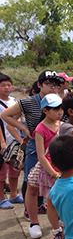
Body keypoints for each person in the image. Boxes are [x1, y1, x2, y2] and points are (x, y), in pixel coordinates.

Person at [1, 70, 62, 225]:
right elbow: (5, 116)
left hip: (55, 146)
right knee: (31, 181)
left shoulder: (59, 101)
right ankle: (31, 211)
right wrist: (24, 129)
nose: (53, 87)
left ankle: (45, 208)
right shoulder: (28, 101)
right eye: (49, 84)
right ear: (39, 85)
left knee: (54, 181)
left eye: (56, 84)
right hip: (35, 146)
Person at [26, 94, 64, 239]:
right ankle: (45, 227)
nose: (59, 111)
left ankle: (57, 227)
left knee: (53, 201)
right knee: (35, 190)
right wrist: (53, 173)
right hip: (48, 169)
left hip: (60, 167)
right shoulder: (40, 128)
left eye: (60, 108)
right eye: (55, 109)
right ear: (45, 111)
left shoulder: (61, 125)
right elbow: (41, 155)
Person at [0, 72, 23, 209]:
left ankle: (14, 194)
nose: (7, 88)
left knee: (15, 169)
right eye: (3, 85)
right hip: (3, 142)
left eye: (9, 85)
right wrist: (2, 142)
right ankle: (1, 198)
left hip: (15, 141)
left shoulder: (14, 101)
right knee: (2, 172)